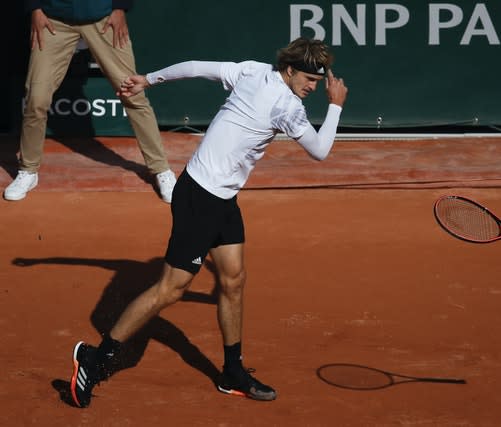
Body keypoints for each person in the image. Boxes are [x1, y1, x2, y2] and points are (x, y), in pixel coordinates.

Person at [68, 37, 348, 407]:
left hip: (219, 197)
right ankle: (95, 357)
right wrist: (335, 106)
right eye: (309, 81)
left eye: (317, 83)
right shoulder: (287, 107)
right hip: (202, 198)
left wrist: (148, 79)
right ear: (291, 69)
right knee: (171, 288)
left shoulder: (252, 71)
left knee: (232, 279)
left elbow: (197, 67)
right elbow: (320, 150)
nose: (312, 88)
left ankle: (232, 371)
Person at [4, 0, 176, 203]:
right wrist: (35, 8)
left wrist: (119, 7)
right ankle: (28, 171)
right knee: (36, 98)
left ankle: (160, 169)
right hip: (53, 20)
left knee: (132, 93)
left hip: (103, 18)